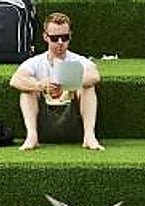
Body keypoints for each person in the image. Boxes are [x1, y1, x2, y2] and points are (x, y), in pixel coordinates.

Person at [9, 12, 102, 152]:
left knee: (88, 87)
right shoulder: (36, 62)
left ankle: (89, 136)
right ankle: (32, 136)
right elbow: (15, 80)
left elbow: (94, 76)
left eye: (65, 37)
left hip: (72, 116)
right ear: (45, 37)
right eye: (54, 38)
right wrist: (40, 85)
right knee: (27, 90)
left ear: (70, 36)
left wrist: (65, 84)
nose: (60, 42)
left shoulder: (78, 60)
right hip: (44, 117)